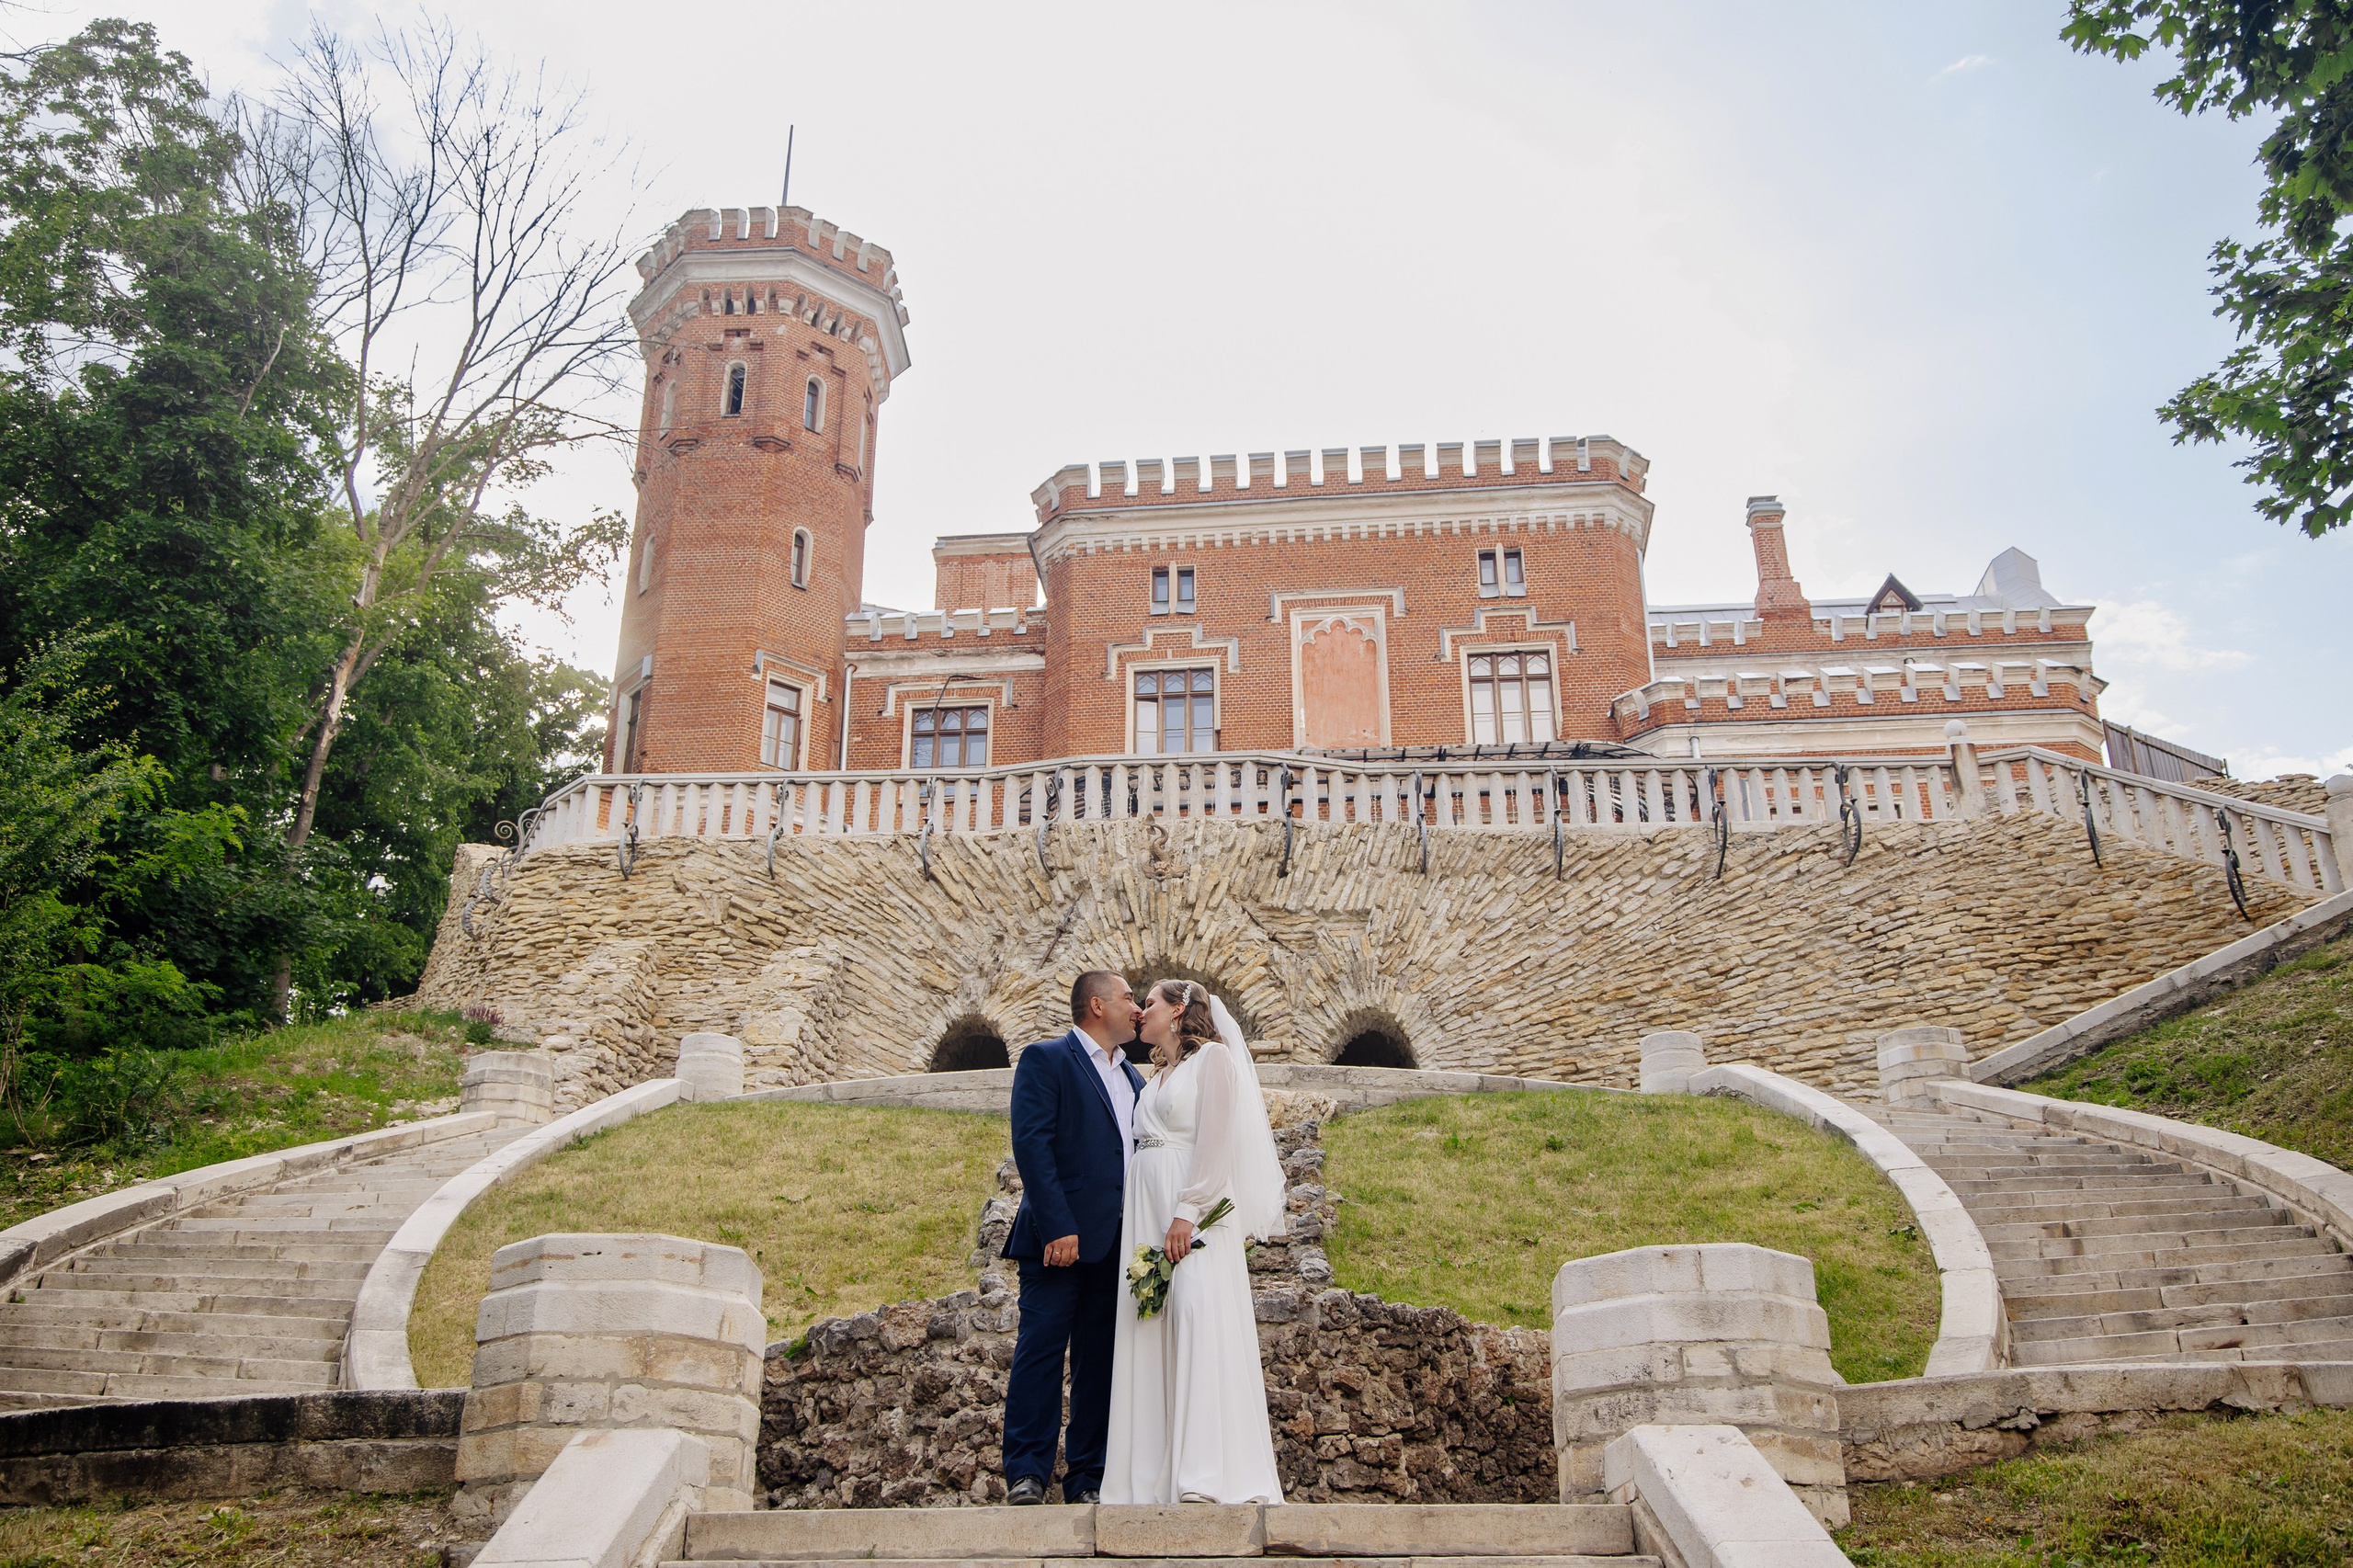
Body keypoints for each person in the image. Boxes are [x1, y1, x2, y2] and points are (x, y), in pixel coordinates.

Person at [1102, 979, 1287, 1505]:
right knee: (1150, 1327)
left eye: (1151, 1003)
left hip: (1195, 1214)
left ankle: (1205, 1475)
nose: (1141, 1011)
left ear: (1179, 1010)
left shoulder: (1214, 1063)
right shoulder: (1157, 1075)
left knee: (1196, 1317)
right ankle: (1146, 1479)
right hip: (1147, 1213)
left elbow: (1215, 1142)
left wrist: (1188, 1211)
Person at [1000, 970, 1144, 1506]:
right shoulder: (1047, 1059)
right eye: (1128, 997)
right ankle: (1027, 1473)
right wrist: (1058, 1225)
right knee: (1040, 1353)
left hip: (1115, 1245)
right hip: (1057, 1241)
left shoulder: (1133, 1078)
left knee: (1099, 1363)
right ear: (1096, 1005)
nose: (1135, 1006)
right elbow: (1032, 1144)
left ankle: (1087, 1478)